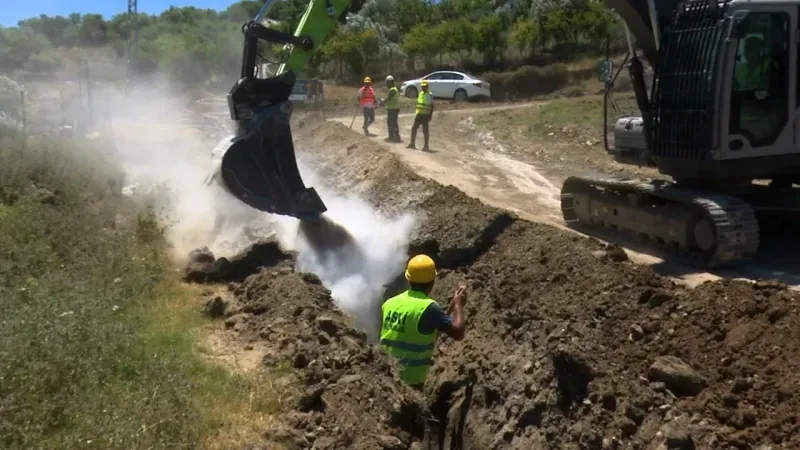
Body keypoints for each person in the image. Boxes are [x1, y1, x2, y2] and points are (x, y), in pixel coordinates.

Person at [380, 254, 468, 390]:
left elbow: (413, 329)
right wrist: (458, 304)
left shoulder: (389, 303)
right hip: (410, 381)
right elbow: (458, 333)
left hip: (385, 374)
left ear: (408, 278)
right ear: (432, 281)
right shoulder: (429, 308)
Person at [407, 80, 434, 151]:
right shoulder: (420, 94)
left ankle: (426, 146)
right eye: (422, 86)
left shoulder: (429, 95)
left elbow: (432, 106)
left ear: (427, 87)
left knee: (425, 131)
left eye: (425, 86)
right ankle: (412, 143)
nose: (423, 87)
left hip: (425, 115)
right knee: (414, 129)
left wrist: (430, 115)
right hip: (419, 114)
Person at [382, 75, 402, 143]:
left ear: (391, 82)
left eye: (387, 82)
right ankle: (391, 136)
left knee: (393, 123)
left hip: (393, 109)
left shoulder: (393, 89)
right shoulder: (393, 89)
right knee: (390, 123)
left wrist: (382, 102)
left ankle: (396, 136)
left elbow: (389, 98)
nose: (387, 84)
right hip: (392, 108)